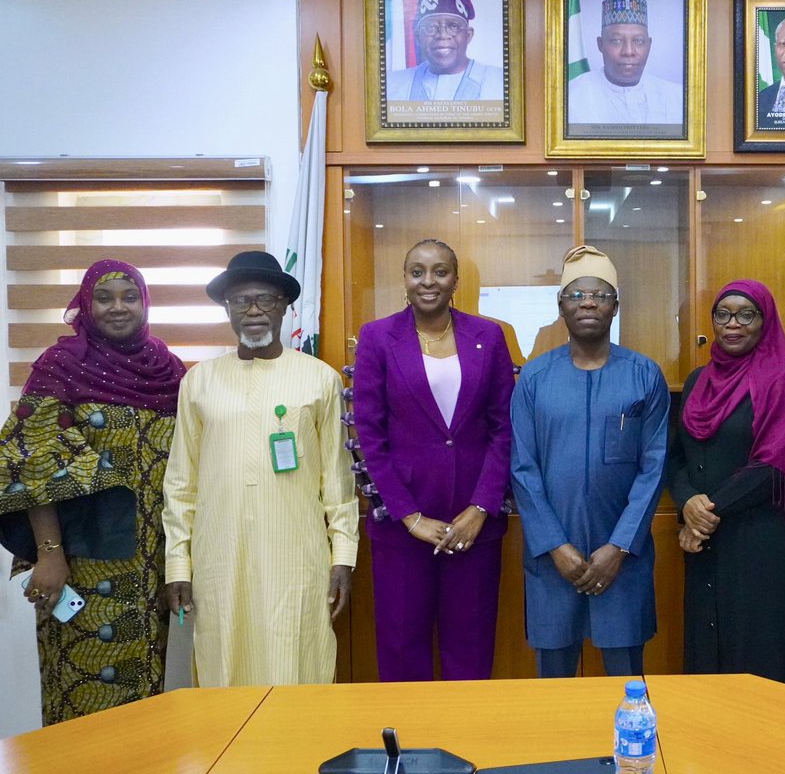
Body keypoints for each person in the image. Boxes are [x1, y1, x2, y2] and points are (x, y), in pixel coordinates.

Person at [0, 260, 185, 725]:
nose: (118, 307)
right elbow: (32, 462)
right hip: (81, 564)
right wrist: (49, 554)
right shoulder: (62, 366)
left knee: (147, 693)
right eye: (105, 297)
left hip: (152, 566)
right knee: (82, 696)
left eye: (130, 296)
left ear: (146, 303)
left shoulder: (169, 370)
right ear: (85, 304)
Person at [162, 251, 358, 687]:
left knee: (297, 657)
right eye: (240, 301)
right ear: (227, 309)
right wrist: (178, 565)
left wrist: (342, 559)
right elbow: (180, 484)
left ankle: (296, 755)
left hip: (298, 558)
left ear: (285, 307)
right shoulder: (199, 381)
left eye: (265, 300)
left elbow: (338, 482)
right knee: (221, 662)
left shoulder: (320, 379)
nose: (253, 311)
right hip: (218, 560)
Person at [353, 239, 515, 681]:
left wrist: (481, 508)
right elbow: (369, 433)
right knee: (402, 649)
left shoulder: (489, 336)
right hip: (403, 528)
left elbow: (505, 428)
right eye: (418, 271)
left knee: (472, 646)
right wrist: (409, 517)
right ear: (404, 279)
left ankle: (465, 742)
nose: (429, 281)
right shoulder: (377, 338)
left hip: (474, 526)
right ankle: (412, 748)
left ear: (456, 280)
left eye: (440, 271)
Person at [510, 245, 668, 677]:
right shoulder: (535, 379)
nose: (588, 303)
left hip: (622, 558)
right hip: (551, 558)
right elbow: (522, 470)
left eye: (599, 294)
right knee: (555, 683)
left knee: (625, 683)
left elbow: (653, 467)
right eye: (576, 295)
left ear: (615, 305)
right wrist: (555, 547)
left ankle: (629, 749)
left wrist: (618, 548)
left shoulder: (643, 374)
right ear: (560, 305)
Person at [668, 280, 785, 688]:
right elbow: (678, 456)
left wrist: (705, 512)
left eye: (746, 314)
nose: (733, 324)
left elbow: (776, 464)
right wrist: (687, 504)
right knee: (708, 653)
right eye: (723, 314)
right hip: (705, 543)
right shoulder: (699, 380)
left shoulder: (783, 378)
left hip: (761, 542)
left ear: (764, 321)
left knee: (758, 659)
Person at [567, 0, 684, 126]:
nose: (628, 51)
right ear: (600, 44)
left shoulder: (678, 97)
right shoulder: (572, 96)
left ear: (649, 44)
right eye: (616, 40)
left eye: (638, 41)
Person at [387, 0, 503, 102]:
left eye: (453, 26)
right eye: (431, 27)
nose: (442, 35)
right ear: (418, 37)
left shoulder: (500, 82)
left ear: (468, 35)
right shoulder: (393, 84)